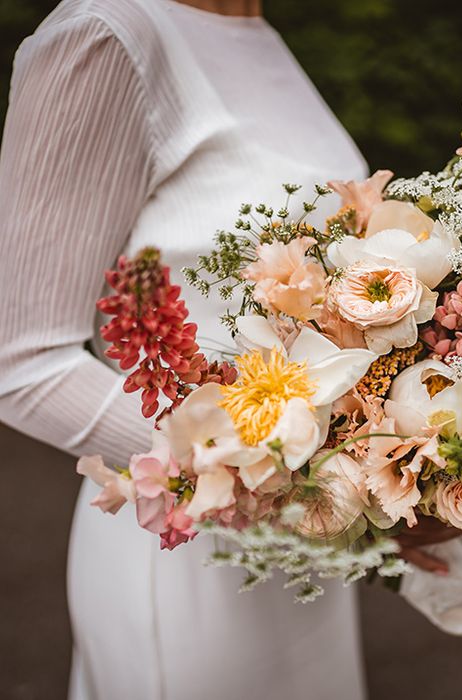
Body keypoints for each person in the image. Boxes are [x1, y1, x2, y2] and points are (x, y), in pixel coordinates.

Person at [0, 1, 371, 698]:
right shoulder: (107, 34)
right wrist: (242, 468)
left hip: (307, 534)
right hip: (188, 554)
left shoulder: (251, 25)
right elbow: (22, 362)